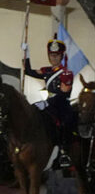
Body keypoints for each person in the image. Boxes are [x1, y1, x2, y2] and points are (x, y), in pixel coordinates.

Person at [22, 34, 74, 169]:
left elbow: (63, 94)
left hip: (61, 106)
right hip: (49, 105)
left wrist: (46, 103)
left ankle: (63, 152)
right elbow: (28, 71)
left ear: (61, 56)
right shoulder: (47, 71)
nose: (53, 58)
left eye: (56, 55)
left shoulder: (66, 73)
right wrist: (26, 54)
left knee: (64, 124)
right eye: (51, 55)